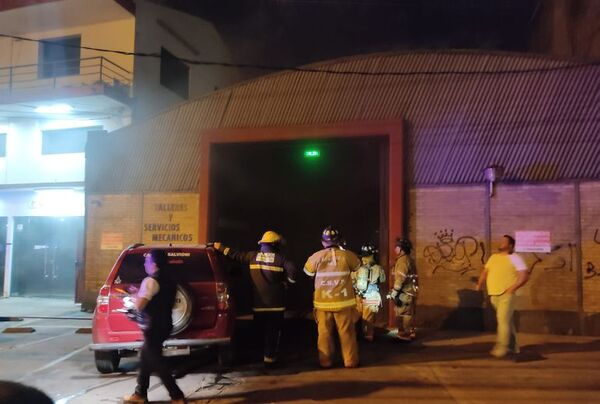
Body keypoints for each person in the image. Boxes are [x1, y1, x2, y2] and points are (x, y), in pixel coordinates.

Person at [213, 230, 297, 368]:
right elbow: (292, 269)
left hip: (258, 305)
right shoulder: (281, 259)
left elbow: (234, 255)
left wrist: (220, 247)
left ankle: (257, 357)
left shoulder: (252, 256)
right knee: (273, 332)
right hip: (276, 305)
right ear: (275, 245)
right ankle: (269, 360)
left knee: (259, 331)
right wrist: (287, 282)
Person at [123, 249, 186, 404]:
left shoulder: (150, 281)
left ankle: (177, 396)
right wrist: (141, 293)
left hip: (153, 327)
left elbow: (139, 305)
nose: (145, 263)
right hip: (166, 325)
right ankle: (140, 394)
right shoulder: (170, 280)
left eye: (147, 260)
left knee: (156, 361)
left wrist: (135, 295)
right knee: (145, 357)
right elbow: (159, 298)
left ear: (154, 263)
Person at [304, 226, 361, 368]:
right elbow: (358, 268)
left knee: (324, 334)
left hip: (322, 303)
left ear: (323, 242)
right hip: (343, 302)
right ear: (339, 240)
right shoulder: (348, 255)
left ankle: (325, 362)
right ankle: (350, 362)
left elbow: (308, 273)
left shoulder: (315, 256)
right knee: (347, 333)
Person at [476, 234, 529, 358]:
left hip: (507, 294)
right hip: (493, 294)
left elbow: (524, 275)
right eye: (501, 241)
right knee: (507, 321)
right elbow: (485, 271)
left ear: (510, 245)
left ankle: (501, 347)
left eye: (504, 241)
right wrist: (479, 283)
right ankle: (513, 346)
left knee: (502, 320)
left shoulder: (515, 258)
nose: (501, 243)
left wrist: (513, 288)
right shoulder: (493, 257)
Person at [352, 243, 386, 341]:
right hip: (372, 296)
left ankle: (356, 334)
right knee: (369, 318)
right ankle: (368, 336)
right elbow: (383, 280)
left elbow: (352, 279)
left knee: (357, 316)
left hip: (359, 295)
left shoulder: (358, 268)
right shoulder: (379, 268)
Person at [390, 237, 418, 341]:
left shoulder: (402, 261)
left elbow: (400, 278)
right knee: (408, 313)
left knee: (405, 314)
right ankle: (408, 332)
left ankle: (405, 334)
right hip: (409, 292)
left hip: (404, 292)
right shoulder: (408, 259)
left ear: (402, 249)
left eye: (397, 247)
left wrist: (395, 292)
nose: (395, 249)